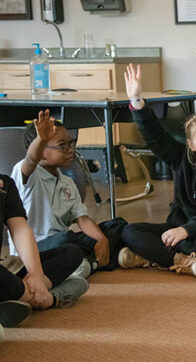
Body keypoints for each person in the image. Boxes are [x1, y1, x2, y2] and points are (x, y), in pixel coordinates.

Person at [118, 64, 196, 276]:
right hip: (179, 229)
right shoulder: (182, 159)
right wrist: (136, 101)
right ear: (191, 145)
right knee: (130, 231)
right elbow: (155, 136)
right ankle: (181, 261)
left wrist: (187, 230)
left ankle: (156, 257)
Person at [11, 110, 126, 278]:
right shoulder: (29, 174)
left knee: (116, 226)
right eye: (62, 146)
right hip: (34, 248)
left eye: (70, 143)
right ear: (42, 150)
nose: (70, 150)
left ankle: (87, 263)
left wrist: (102, 239)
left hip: (65, 245)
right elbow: (31, 159)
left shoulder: (67, 182)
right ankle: (94, 262)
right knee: (66, 240)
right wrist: (41, 139)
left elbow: (82, 218)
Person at [0, 174, 89, 324]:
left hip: (5, 270)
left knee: (71, 252)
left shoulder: (6, 184)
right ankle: (51, 298)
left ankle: (20, 296)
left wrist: (36, 276)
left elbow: (20, 229)